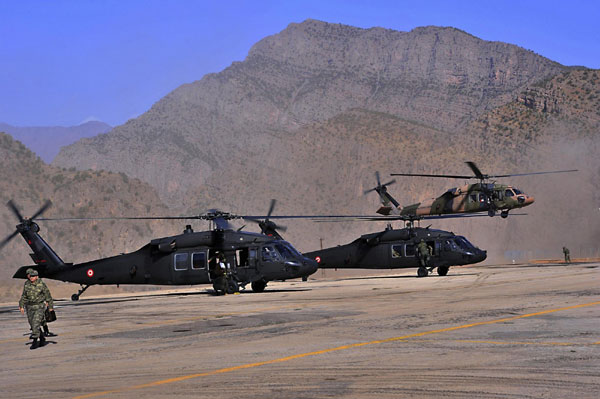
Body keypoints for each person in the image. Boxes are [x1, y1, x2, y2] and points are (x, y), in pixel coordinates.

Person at [19, 268, 54, 349]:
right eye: (30, 276)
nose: (31, 277)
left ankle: (34, 341)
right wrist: (21, 305)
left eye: (33, 276)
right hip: (29, 307)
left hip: (39, 307)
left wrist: (50, 307)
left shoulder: (41, 284)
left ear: (37, 277)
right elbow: (24, 296)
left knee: (35, 323)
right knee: (32, 324)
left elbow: (48, 296)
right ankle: (42, 338)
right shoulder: (27, 284)